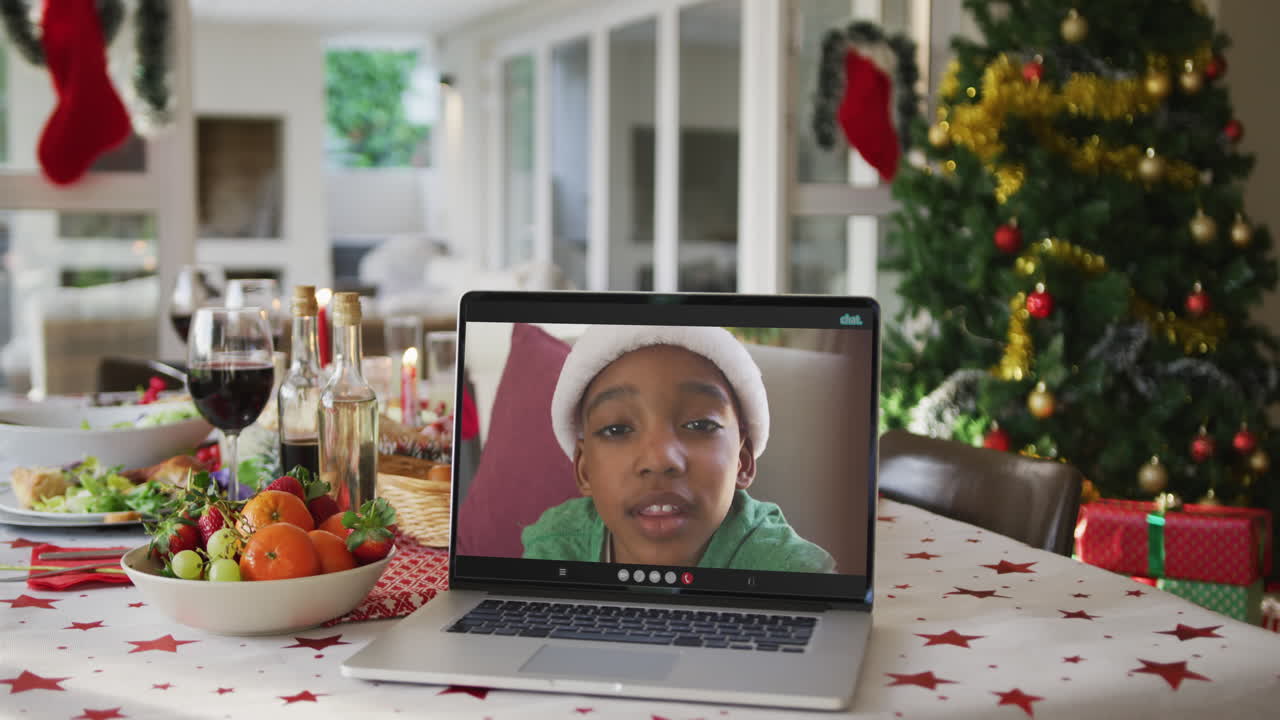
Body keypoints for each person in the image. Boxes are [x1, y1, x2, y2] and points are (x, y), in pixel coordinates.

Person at [521, 325, 835, 573]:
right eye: (617, 429)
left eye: (700, 425)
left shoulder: (787, 568)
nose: (660, 459)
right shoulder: (556, 546)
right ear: (585, 469)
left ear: (742, 461)